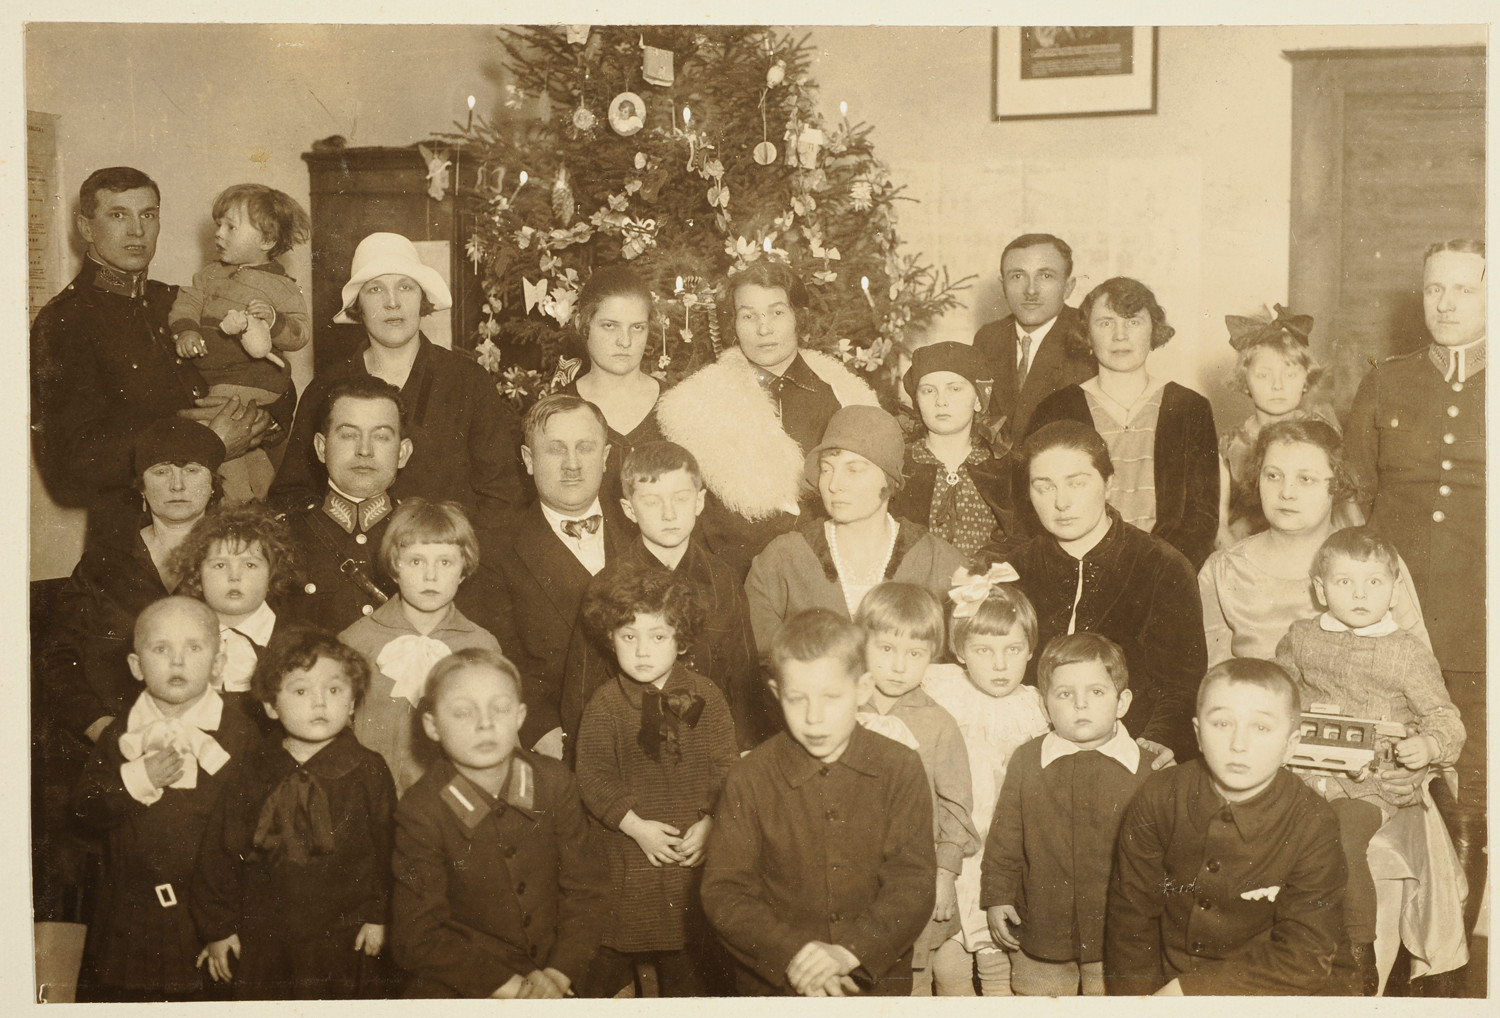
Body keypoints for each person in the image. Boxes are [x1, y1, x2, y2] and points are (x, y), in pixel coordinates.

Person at [1345, 238, 1486, 951]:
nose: (1446, 303)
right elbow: (1351, 501)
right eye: (1435, 288)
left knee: (1470, 791)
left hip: (1477, 628)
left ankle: (1452, 964)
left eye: (1465, 289)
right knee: (1381, 785)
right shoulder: (1386, 381)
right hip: (1388, 624)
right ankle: (1387, 957)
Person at [702, 609, 936, 996]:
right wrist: (793, 956)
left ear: (863, 689)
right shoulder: (748, 777)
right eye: (797, 699)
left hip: (872, 983)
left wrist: (851, 952)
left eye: (831, 697)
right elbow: (725, 893)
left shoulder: (901, 767)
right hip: (779, 986)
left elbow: (913, 883)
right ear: (777, 693)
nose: (814, 717)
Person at [1274, 526, 1466, 992]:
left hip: (1372, 781)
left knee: (1343, 835)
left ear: (1394, 590)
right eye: (1344, 582)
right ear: (1321, 589)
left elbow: (1444, 717)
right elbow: (1275, 694)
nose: (1360, 594)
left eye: (1374, 582)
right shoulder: (1301, 638)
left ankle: (1358, 950)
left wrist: (1429, 747)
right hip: (1303, 768)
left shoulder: (1406, 652)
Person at [31, 166, 275, 518]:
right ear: (86, 228)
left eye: (148, 215)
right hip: (136, 531)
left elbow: (261, 372)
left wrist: (264, 421)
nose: (137, 230)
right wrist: (208, 443)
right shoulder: (63, 320)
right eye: (118, 215)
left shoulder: (176, 300)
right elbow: (72, 466)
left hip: (223, 520)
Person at [1105, 659, 1357, 996]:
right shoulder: (1159, 795)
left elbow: (1305, 956)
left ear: (1291, 744)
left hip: (1290, 988)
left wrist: (1188, 992)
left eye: (1261, 727)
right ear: (1198, 734)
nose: (1239, 744)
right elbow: (1131, 921)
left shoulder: (1314, 822)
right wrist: (1139, 1004)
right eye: (1222, 723)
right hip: (1171, 989)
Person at [272, 232, 523, 537]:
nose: (392, 303)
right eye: (375, 289)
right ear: (358, 304)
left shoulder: (468, 381)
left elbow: (502, 497)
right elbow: (293, 495)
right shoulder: (325, 388)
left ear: (422, 299)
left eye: (405, 287)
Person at [70, 597, 259, 1002]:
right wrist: (137, 778)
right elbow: (85, 808)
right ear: (136, 666)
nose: (177, 661)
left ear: (218, 664)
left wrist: (223, 924)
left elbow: (248, 838)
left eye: (194, 647)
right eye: (161, 649)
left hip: (204, 921)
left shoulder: (241, 735)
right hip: (128, 918)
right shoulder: (120, 733)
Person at [390, 648, 607, 998]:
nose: (485, 724)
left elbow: (587, 891)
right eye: (463, 712)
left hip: (557, 967)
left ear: (520, 716)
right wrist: (516, 989)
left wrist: (559, 972)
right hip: (469, 976)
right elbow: (417, 935)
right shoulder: (422, 809)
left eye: (500, 709)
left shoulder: (554, 782)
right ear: (432, 726)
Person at [191, 630, 395, 999]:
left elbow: (388, 851)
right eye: (301, 691)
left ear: (352, 703)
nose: (320, 702)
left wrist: (378, 916)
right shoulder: (251, 770)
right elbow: (219, 853)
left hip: (344, 937)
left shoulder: (369, 770)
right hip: (264, 937)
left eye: (334, 690)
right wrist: (218, 928)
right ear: (272, 706)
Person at [993, 420, 1203, 763]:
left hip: (1131, 751)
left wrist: (1157, 741)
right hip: (1028, 751)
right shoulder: (1013, 570)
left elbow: (1181, 684)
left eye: (1077, 483)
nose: (1061, 502)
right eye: (1044, 486)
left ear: (1108, 484)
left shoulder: (1162, 565)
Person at [656, 258, 879, 577]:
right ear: (733, 324)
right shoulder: (696, 404)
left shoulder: (843, 395)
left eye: (777, 313)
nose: (763, 329)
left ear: (798, 317)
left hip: (832, 574)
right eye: (748, 316)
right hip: (734, 579)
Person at [574, 571, 739, 997]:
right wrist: (635, 827)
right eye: (629, 637)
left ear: (681, 641)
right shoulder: (605, 704)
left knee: (689, 973)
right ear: (610, 639)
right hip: (626, 857)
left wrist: (711, 823)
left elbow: (726, 768)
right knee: (599, 969)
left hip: (689, 856)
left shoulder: (707, 696)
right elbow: (592, 776)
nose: (642, 651)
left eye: (658, 636)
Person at [981, 633, 1160, 996]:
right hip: (1041, 928)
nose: (1081, 704)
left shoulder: (1148, 769)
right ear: (1045, 706)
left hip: (1118, 937)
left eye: (1096, 692)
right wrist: (998, 896)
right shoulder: (1027, 760)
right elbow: (1005, 839)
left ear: (1122, 702)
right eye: (1065, 694)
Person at [560, 441, 766, 751]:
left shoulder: (723, 580)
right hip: (634, 749)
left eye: (680, 498)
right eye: (652, 502)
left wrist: (745, 752)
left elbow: (744, 680)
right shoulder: (607, 586)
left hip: (713, 746)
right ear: (630, 510)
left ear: (699, 502)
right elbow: (581, 694)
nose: (669, 514)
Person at [1199, 419, 1429, 666]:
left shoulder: (1375, 561)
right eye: (1273, 476)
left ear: (1338, 484)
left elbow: (1420, 666)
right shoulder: (1223, 570)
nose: (1286, 492)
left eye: (1305, 479)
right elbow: (1211, 675)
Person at [474, 394, 631, 757]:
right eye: (556, 449)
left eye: (585, 448)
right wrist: (543, 732)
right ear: (529, 460)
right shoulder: (496, 551)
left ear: (606, 457)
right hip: (559, 742)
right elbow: (501, 658)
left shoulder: (642, 529)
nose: (572, 464)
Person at [1028, 277, 1219, 570]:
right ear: (1086, 334)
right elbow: (1037, 506)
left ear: (1153, 329)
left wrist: (1160, 570)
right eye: (1106, 323)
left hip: (1167, 571)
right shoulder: (1056, 409)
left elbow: (1203, 517)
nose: (1120, 335)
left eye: (1133, 322)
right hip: (1080, 567)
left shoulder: (1190, 408)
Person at [745, 405, 966, 657]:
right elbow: (757, 658)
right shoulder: (783, 558)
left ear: (889, 479)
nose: (834, 484)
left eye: (854, 469)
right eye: (827, 469)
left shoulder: (940, 563)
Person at [922, 568, 1051, 996]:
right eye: (983, 650)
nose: (1000, 665)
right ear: (960, 650)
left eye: (1013, 649)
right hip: (950, 841)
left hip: (1003, 846)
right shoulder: (942, 690)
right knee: (949, 951)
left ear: (1030, 650)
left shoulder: (1034, 706)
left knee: (998, 953)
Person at [852, 582, 979, 996]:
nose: (898, 666)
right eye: (886, 648)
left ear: (932, 656)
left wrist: (944, 875)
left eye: (914, 654)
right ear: (861, 643)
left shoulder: (939, 723)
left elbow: (956, 807)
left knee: (913, 980)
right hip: (852, 872)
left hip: (914, 876)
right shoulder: (842, 710)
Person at [340, 499, 503, 794]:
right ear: (395, 567)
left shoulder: (481, 646)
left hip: (453, 804)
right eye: (416, 561)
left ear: (463, 570)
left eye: (445, 562)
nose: (431, 575)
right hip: (372, 798)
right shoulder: (356, 640)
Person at [168, 183, 312, 503]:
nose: (219, 233)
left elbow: (300, 333)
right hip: (221, 377)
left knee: (214, 429)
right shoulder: (209, 275)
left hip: (255, 376)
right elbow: (187, 302)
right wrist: (186, 331)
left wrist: (273, 320)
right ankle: (264, 497)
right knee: (245, 443)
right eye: (219, 224)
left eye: (231, 227)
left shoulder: (281, 286)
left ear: (267, 240)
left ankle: (233, 504)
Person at [1216, 303, 1343, 547]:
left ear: (1306, 379)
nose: (1277, 385)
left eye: (1290, 374)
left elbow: (1341, 506)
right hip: (1246, 548)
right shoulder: (1229, 443)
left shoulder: (1322, 432)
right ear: (1244, 380)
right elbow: (1220, 523)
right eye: (1263, 375)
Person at [169, 502, 299, 733]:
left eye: (250, 564)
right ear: (197, 574)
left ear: (272, 574)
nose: (234, 576)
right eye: (220, 565)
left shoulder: (298, 643)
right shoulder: (177, 638)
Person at [890, 341, 1015, 560]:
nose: (941, 401)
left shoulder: (1003, 466)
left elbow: (1019, 541)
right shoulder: (899, 464)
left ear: (979, 400)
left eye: (955, 388)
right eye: (928, 391)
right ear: (917, 400)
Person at [970, 233, 1095, 443]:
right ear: (1003, 285)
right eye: (1017, 276)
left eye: (1045, 276)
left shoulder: (1088, 335)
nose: (1030, 290)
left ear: (1068, 287)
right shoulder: (988, 338)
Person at [559, 265, 665, 507]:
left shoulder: (678, 405)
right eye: (610, 325)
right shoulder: (558, 410)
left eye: (637, 327)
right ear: (582, 324)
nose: (625, 341)